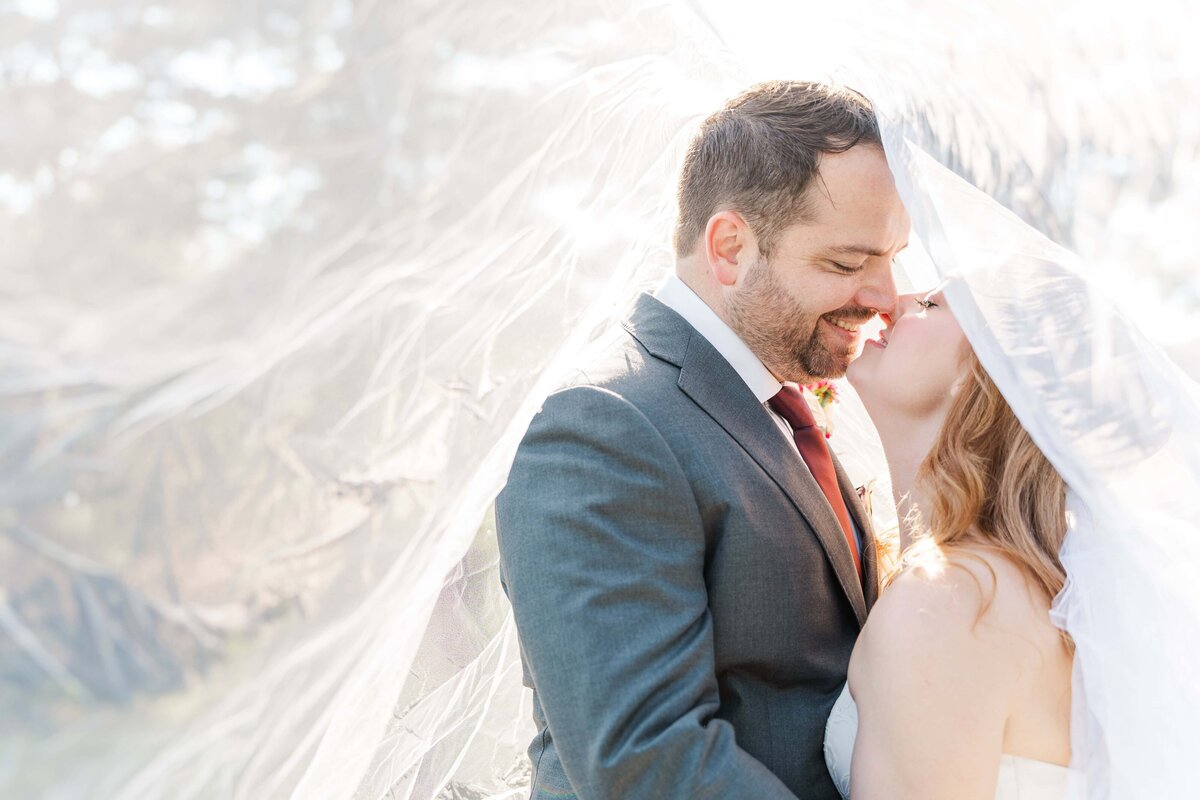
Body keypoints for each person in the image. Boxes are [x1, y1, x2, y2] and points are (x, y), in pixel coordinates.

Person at [495, 80, 909, 798]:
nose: (886, 297)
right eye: (847, 264)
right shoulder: (604, 426)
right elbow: (646, 761)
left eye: (891, 258)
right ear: (730, 247)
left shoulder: (774, 408)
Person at [824, 285, 1073, 799]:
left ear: (979, 378)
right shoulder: (995, 586)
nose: (893, 300)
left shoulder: (953, 602)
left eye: (932, 305)